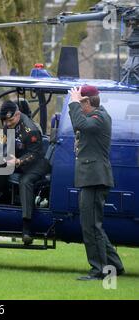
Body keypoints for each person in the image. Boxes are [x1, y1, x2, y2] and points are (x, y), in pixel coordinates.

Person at [68, 85, 125, 280]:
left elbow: (81, 125)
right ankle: (115, 265)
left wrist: (73, 103)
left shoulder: (99, 117)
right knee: (94, 225)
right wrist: (76, 104)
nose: (78, 106)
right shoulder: (95, 117)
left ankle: (99, 269)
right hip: (91, 177)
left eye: (81, 102)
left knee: (91, 226)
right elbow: (79, 124)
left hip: (94, 178)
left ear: (88, 101)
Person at [0, 101, 50, 244]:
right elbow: (7, 138)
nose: (7, 123)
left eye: (10, 120)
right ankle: (0, 194)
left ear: (17, 115)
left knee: (25, 182)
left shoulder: (31, 129)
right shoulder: (9, 123)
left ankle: (26, 228)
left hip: (36, 164)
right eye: (5, 120)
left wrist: (18, 161)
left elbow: (35, 153)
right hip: (17, 158)